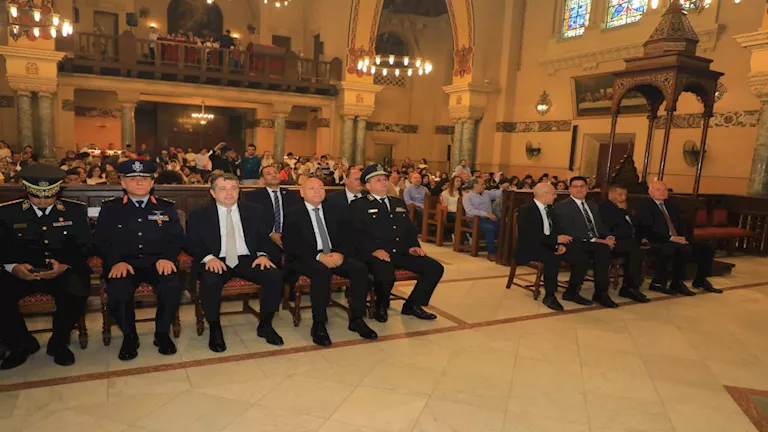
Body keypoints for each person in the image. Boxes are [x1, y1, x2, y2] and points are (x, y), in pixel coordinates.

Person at [0, 164, 92, 370]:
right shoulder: (7, 212)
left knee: (76, 292)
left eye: (49, 196)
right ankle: (21, 343)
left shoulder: (75, 211)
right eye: (36, 196)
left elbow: (85, 246)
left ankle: (59, 343)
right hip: (21, 273)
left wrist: (65, 265)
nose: (42, 201)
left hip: (60, 271)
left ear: (57, 191)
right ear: (27, 190)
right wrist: (12, 267)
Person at [94, 159, 185, 361]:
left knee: (171, 286)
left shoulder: (166, 207)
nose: (139, 182)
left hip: (157, 262)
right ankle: (130, 336)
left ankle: (162, 334)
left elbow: (177, 238)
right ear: (123, 183)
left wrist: (167, 258)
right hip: (124, 264)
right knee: (118, 290)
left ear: (152, 182)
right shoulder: (111, 208)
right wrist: (115, 261)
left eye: (144, 178)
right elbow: (100, 240)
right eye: (133, 179)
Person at [187, 173, 284, 351]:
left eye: (233, 188)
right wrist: (208, 258)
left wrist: (263, 255)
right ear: (213, 193)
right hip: (216, 259)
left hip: (248, 258)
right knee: (210, 280)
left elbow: (264, 238)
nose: (229, 193)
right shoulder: (198, 214)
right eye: (223, 189)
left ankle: (265, 325)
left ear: (239, 191)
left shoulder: (255, 211)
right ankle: (215, 329)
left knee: (274, 276)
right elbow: (191, 243)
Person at [283, 178, 377, 346]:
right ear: (302, 193)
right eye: (312, 188)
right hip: (306, 257)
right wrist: (319, 256)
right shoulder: (293, 213)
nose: (317, 191)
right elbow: (291, 244)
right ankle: (319, 323)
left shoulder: (335, 210)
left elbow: (347, 236)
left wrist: (340, 254)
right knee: (321, 271)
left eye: (320, 188)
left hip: (334, 254)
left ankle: (357, 318)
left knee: (359, 269)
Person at [349, 164, 444, 323]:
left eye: (385, 179)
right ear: (368, 186)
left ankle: (412, 305)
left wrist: (414, 246)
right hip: (376, 253)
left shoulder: (397, 203)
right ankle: (381, 305)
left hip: (400, 251)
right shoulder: (359, 205)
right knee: (386, 275)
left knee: (434, 268)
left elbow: (409, 229)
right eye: (378, 180)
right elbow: (355, 234)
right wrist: (373, 250)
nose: (384, 182)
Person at [635, 180, 721, 295]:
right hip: (657, 240)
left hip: (675, 238)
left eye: (664, 190)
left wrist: (683, 237)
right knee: (680, 249)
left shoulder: (670, 205)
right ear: (650, 192)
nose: (662, 192)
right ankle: (665, 283)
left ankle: (700, 280)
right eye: (658, 190)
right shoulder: (645, 206)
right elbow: (648, 229)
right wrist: (671, 238)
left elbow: (679, 224)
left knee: (707, 248)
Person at [552, 176, 618, 308]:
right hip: (571, 242)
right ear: (570, 189)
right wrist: (598, 240)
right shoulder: (562, 206)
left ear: (587, 188)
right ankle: (572, 291)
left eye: (582, 186)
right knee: (586, 255)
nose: (579, 189)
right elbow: (570, 230)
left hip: (591, 243)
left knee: (603, 250)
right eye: (575, 186)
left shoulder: (593, 206)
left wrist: (609, 237)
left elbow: (600, 226)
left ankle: (601, 293)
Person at [515, 183, 570, 311]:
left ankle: (572, 290)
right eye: (553, 194)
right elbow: (530, 235)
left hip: (548, 244)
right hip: (531, 247)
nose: (555, 196)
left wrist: (559, 244)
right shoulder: (526, 210)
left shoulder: (550, 209)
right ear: (545, 194)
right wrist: (555, 240)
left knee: (577, 252)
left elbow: (557, 229)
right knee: (553, 258)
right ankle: (550, 296)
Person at [598, 184, 650, 303]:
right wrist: (621, 210)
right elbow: (611, 225)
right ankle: (629, 287)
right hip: (613, 240)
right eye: (620, 194)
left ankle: (631, 286)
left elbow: (634, 223)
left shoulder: (626, 206)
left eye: (625, 195)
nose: (623, 197)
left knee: (637, 249)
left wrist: (627, 211)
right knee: (634, 250)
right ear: (611, 194)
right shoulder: (605, 207)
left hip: (629, 239)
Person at [243, 165, 299, 261]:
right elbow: (252, 221)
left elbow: (296, 218)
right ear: (262, 179)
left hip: (288, 236)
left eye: (275, 173)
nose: (273, 175)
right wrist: (271, 233)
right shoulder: (253, 196)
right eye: (268, 174)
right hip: (265, 237)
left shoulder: (291, 195)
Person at [462, 178, 504, 261]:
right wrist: (485, 214)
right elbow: (470, 211)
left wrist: (503, 188)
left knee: (504, 226)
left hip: (488, 219)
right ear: (475, 185)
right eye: (482, 184)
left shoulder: (487, 193)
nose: (484, 186)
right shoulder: (467, 196)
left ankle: (502, 251)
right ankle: (491, 253)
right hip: (475, 220)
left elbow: (497, 193)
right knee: (490, 229)